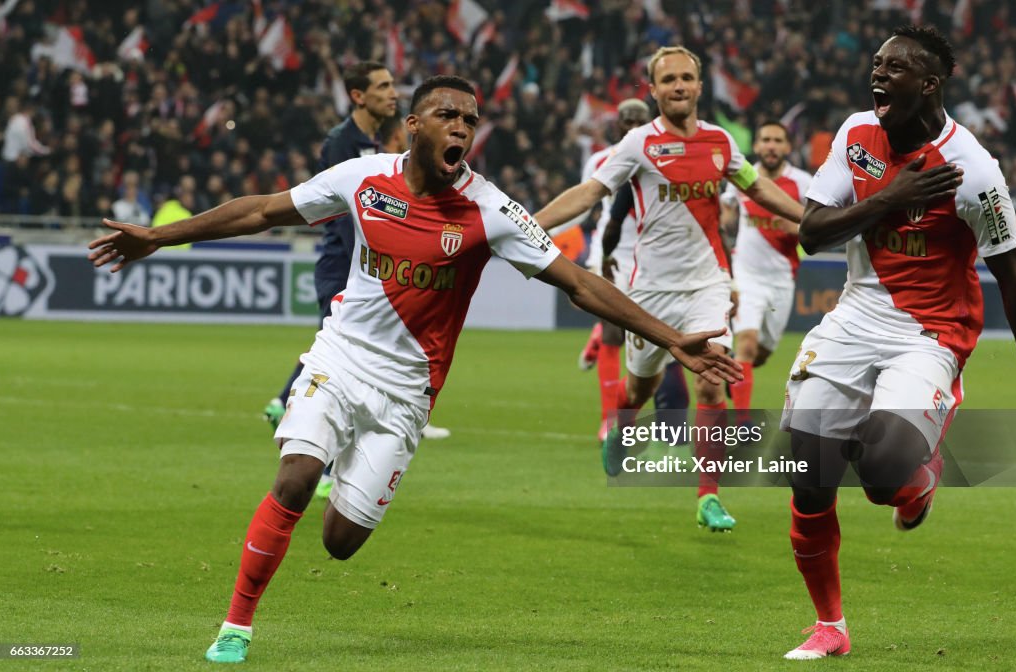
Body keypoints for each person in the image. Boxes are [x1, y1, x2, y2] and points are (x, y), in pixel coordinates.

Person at [87, 75, 743, 664]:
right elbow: (262, 209)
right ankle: (236, 625)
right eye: (447, 115)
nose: (461, 127)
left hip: (407, 392)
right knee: (295, 476)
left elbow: (578, 282)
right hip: (339, 359)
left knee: (340, 542)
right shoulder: (362, 176)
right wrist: (158, 236)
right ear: (414, 126)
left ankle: (344, 471)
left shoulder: (490, 210)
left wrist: (672, 339)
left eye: (470, 119)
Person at [779, 25, 1016, 660]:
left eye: (895, 68)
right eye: (876, 65)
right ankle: (830, 626)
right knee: (809, 472)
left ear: (930, 84)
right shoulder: (857, 135)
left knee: (882, 472)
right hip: (855, 316)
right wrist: (890, 198)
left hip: (931, 332)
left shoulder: (974, 171)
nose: (878, 76)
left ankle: (919, 473)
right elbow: (812, 232)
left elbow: (1011, 273)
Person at [535, 46, 804, 531]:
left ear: (700, 87)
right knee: (640, 386)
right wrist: (529, 225)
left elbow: (757, 188)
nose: (678, 86)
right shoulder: (638, 143)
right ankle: (622, 426)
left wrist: (813, 220)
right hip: (651, 292)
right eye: (669, 80)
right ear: (654, 90)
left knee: (710, 381)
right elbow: (591, 192)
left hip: (707, 284)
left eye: (686, 78)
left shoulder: (721, 143)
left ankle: (708, 497)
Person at [260, 62, 449, 501]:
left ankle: (288, 404)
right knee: (342, 355)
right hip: (346, 267)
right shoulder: (344, 143)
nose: (392, 94)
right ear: (358, 96)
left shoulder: (371, 143)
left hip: (365, 268)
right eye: (382, 87)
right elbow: (346, 210)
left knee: (343, 349)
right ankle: (322, 464)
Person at [571, 98, 690, 444]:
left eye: (639, 119)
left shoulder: (665, 156)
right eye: (625, 120)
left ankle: (600, 341)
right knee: (613, 331)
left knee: (651, 335)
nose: (632, 125)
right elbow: (586, 201)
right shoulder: (600, 160)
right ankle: (612, 420)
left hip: (652, 259)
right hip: (613, 256)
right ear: (617, 125)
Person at [719, 121, 812, 424]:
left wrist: (797, 228)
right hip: (745, 275)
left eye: (777, 140)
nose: (771, 145)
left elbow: (819, 224)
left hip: (782, 278)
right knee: (746, 343)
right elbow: (726, 214)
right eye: (765, 140)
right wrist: (728, 219)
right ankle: (742, 422)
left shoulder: (803, 183)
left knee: (760, 353)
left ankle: (733, 373)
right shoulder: (743, 176)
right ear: (757, 146)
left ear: (787, 147)